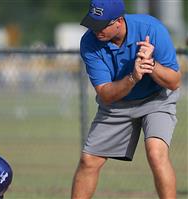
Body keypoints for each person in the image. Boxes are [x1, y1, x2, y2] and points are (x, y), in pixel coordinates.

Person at [71, 0, 181, 199]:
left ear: (119, 21)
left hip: (156, 99)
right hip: (117, 103)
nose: (96, 31)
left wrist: (151, 64)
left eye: (101, 25)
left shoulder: (152, 29)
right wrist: (133, 77)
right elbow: (105, 93)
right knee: (89, 161)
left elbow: (174, 82)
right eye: (92, 24)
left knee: (156, 154)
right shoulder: (89, 43)